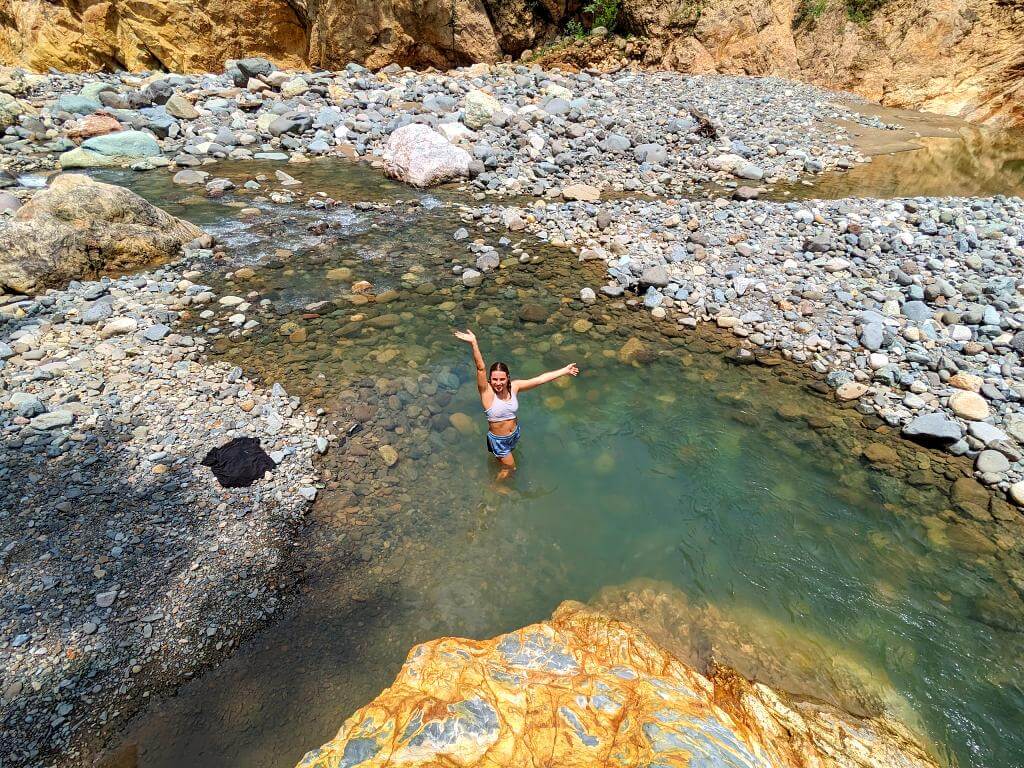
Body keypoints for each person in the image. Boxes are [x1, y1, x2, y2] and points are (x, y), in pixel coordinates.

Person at [453, 328, 579, 480]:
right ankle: (494, 489)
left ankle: (498, 463)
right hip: (499, 441)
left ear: (507, 378)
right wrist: (474, 343)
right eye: (494, 379)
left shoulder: (515, 386)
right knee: (510, 468)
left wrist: (564, 371)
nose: (498, 383)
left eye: (501, 379)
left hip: (514, 434)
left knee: (507, 461)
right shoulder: (486, 393)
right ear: (490, 380)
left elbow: (540, 379)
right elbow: (481, 368)